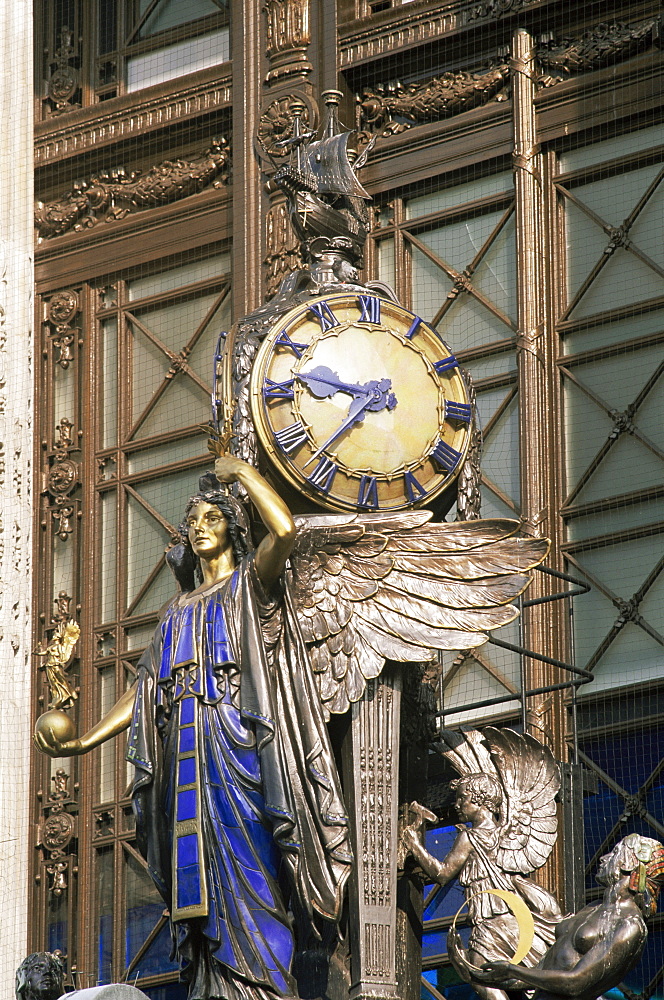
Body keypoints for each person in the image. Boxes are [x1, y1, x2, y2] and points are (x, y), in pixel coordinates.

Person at [34, 456, 352, 1000]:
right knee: (195, 885)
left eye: (212, 516)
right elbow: (147, 691)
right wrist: (85, 740)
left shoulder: (252, 586)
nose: (200, 525)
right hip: (183, 756)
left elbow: (286, 529)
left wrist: (244, 474)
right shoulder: (175, 611)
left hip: (237, 750)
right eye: (193, 520)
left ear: (232, 525)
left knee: (250, 868)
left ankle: (267, 988)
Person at [403, 772, 562, 1000]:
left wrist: (414, 845)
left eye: (462, 799)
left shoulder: (470, 837)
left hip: (491, 921)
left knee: (481, 976)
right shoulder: (506, 835)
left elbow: (442, 873)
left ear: (479, 800)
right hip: (514, 919)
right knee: (528, 979)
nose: (457, 804)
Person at [478, 833, 664, 1000]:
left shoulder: (630, 925)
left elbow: (575, 983)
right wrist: (480, 975)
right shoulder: (593, 908)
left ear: (628, 864)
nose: (603, 858)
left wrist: (512, 970)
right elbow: (538, 973)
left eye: (614, 853)